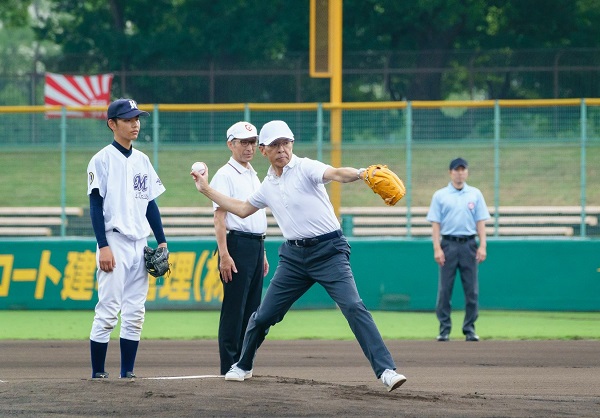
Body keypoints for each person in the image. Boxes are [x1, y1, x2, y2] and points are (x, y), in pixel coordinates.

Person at [191, 120, 407, 392]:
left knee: (353, 306)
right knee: (264, 315)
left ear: (292, 144)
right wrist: (206, 189)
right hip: (294, 258)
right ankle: (243, 364)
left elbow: (337, 173)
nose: (282, 149)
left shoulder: (306, 167)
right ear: (264, 150)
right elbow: (243, 209)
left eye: (286, 143)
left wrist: (363, 173)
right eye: (275, 145)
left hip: (330, 251)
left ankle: (386, 370)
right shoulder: (267, 183)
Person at [86, 98, 168, 378]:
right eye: (128, 119)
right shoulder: (101, 159)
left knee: (135, 313)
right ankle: (98, 373)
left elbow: (151, 205)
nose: (135, 124)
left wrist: (162, 240)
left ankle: (127, 373)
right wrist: (103, 246)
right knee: (108, 310)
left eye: (137, 118)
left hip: (140, 244)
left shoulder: (142, 159)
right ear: (112, 124)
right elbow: (95, 205)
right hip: (114, 241)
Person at [211, 121, 269, 375]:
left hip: (256, 244)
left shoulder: (253, 173)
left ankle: (244, 363)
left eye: (252, 142)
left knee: (253, 310)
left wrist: (263, 252)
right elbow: (220, 217)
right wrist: (224, 254)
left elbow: (257, 215)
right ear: (230, 144)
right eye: (243, 142)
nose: (249, 147)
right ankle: (229, 365)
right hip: (236, 244)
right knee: (235, 310)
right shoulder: (225, 174)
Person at [426, 157, 489, 342]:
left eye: (463, 170)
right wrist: (437, 247)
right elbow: (435, 224)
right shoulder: (440, 195)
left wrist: (483, 245)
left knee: (472, 290)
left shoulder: (475, 194)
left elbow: (481, 222)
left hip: (469, 243)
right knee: (445, 289)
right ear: (450, 172)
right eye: (456, 170)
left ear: (467, 172)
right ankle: (444, 328)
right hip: (448, 244)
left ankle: (469, 328)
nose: (459, 173)